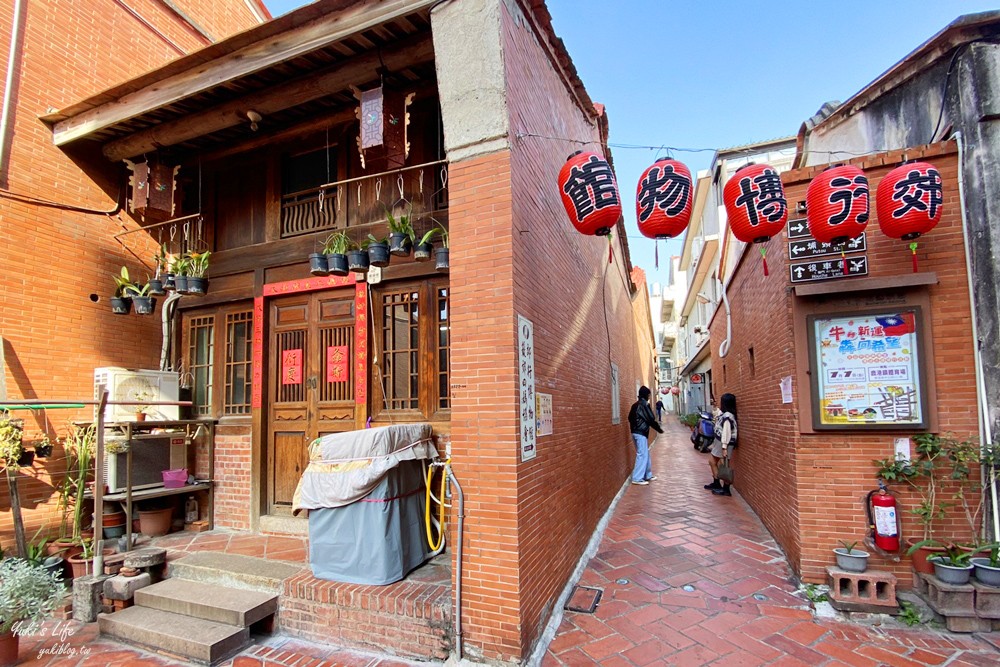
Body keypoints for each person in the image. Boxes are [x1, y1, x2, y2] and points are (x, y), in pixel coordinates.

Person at [628, 386, 663, 485]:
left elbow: (629, 417)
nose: (649, 396)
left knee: (644, 453)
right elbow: (651, 418)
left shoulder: (634, 405)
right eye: (648, 395)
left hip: (634, 432)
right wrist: (659, 429)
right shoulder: (644, 405)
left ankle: (648, 474)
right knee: (642, 454)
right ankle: (637, 478)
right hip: (641, 432)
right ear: (646, 395)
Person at [705, 392, 738, 496]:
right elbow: (717, 414)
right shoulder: (725, 414)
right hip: (719, 442)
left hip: (724, 443)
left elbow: (726, 432)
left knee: (724, 465)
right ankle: (717, 483)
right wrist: (714, 406)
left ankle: (725, 488)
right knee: (715, 462)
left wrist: (724, 447)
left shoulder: (728, 416)